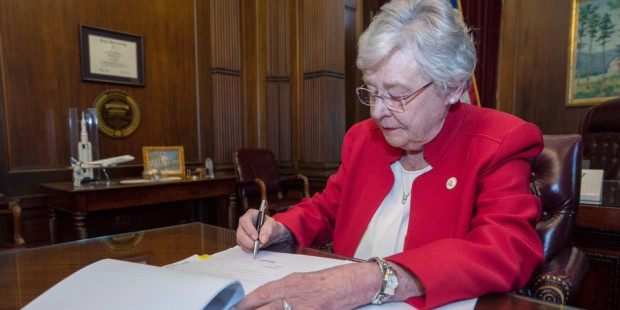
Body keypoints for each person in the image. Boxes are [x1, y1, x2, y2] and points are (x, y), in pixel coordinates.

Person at [233, 0, 544, 309]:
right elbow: (328, 209)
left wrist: (372, 279)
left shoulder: (500, 141)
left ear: (452, 87)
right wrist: (279, 227)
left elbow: (507, 249)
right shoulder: (362, 139)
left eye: (397, 95)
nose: (379, 112)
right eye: (372, 91)